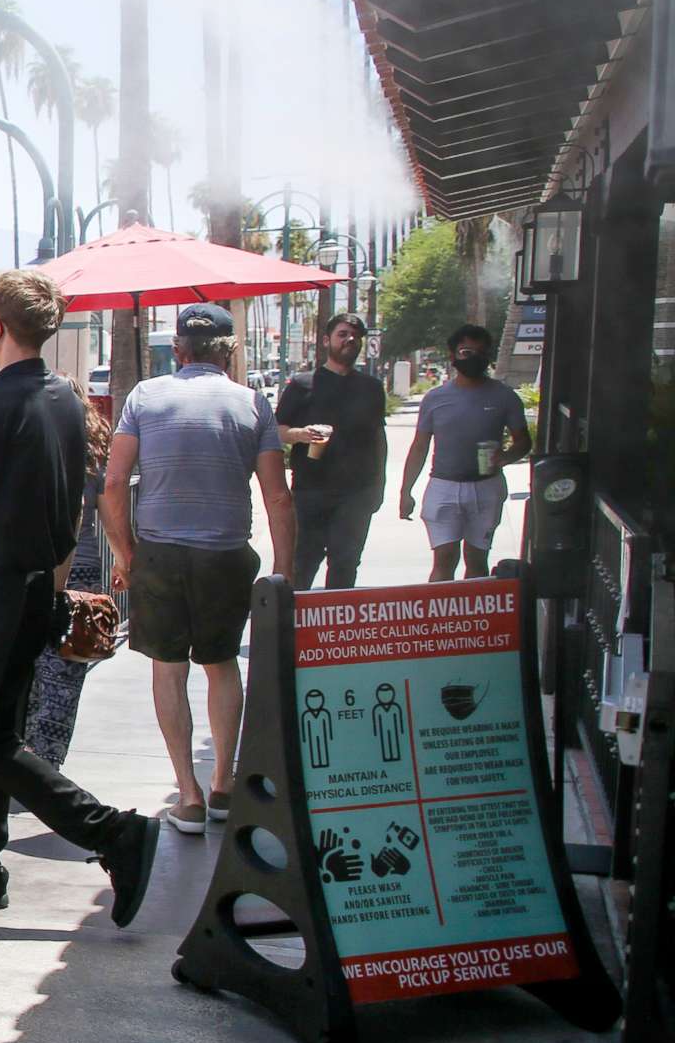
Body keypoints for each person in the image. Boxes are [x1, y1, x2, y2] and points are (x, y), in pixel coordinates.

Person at [0, 269, 161, 921]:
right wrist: (57, 588)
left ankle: (111, 832)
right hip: (40, 584)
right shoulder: (68, 402)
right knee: (0, 729)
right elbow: (70, 509)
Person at [103, 305, 294, 836]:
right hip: (227, 554)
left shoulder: (145, 396)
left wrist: (126, 553)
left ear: (179, 351)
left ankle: (186, 795)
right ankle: (223, 786)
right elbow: (278, 494)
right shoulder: (253, 403)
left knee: (168, 667)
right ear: (228, 352)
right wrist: (284, 572)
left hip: (160, 553)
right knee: (222, 663)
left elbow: (114, 483)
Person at [22, 384, 113, 766]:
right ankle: (43, 760)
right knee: (65, 672)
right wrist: (124, 560)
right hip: (85, 571)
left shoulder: (43, 452)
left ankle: (34, 760)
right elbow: (108, 512)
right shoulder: (93, 455)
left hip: (49, 571)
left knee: (39, 672)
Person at [399, 323, 531, 581]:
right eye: (466, 351)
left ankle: (473, 620)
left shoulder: (505, 397)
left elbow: (523, 442)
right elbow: (419, 446)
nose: (473, 358)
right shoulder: (435, 398)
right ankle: (438, 618)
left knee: (477, 560)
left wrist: (505, 457)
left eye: (480, 352)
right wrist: (406, 491)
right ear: (453, 355)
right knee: (444, 560)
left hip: (487, 487)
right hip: (443, 486)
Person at [275, 312, 390, 589]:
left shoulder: (372, 388)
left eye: (356, 337)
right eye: (343, 334)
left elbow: (378, 438)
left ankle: (335, 629)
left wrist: (379, 487)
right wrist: (302, 434)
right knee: (303, 563)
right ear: (327, 340)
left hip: (356, 494)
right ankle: (295, 626)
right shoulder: (302, 385)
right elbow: (277, 431)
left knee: (345, 563)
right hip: (310, 492)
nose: (350, 340)